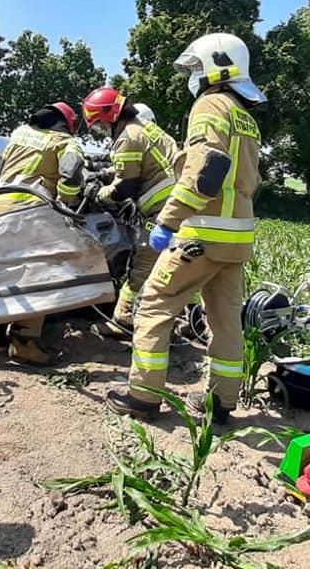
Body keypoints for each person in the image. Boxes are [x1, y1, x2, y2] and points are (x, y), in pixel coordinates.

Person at [106, 33, 265, 424]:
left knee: (155, 305)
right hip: (237, 236)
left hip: (203, 230)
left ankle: (142, 396)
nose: (193, 77)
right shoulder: (246, 117)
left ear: (217, 64)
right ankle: (221, 403)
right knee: (226, 320)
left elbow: (204, 171)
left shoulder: (210, 104)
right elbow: (250, 179)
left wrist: (167, 221)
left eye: (196, 68)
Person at [80, 88, 179, 339]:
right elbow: (138, 164)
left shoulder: (127, 137)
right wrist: (104, 173)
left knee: (142, 263)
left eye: (100, 125)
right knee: (183, 264)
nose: (102, 130)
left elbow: (127, 186)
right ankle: (193, 317)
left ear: (110, 115)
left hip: (163, 211)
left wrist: (96, 194)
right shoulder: (143, 128)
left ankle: (123, 320)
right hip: (181, 205)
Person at [0, 102, 86, 365]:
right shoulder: (65, 142)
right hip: (31, 211)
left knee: (13, 271)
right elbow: (70, 174)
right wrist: (67, 203)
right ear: (67, 124)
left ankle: (3, 330)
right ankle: (25, 345)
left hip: (1, 208)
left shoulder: (19, 133)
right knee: (39, 275)